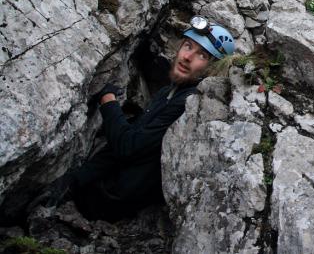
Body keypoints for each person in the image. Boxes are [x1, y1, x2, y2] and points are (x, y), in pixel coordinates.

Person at [42, 17, 235, 222]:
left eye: (202, 55)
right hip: (105, 186)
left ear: (212, 69)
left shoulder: (188, 104)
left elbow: (127, 147)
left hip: (110, 200)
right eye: (188, 46)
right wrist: (75, 180)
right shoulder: (167, 92)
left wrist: (108, 101)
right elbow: (126, 141)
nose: (187, 57)